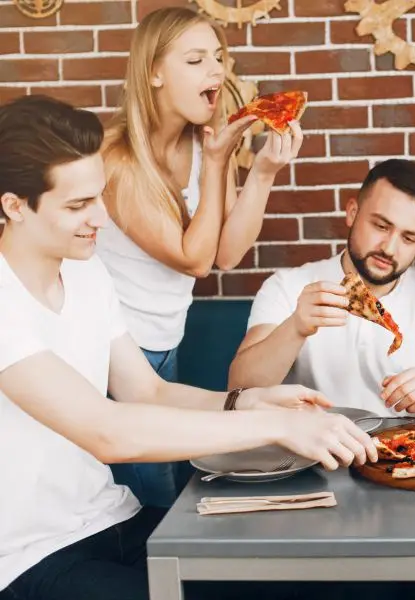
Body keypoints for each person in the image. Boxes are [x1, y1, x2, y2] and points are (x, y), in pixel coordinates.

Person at [0, 95, 375, 600]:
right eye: (77, 206)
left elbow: (146, 391)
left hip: (112, 518)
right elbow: (106, 432)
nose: (101, 219)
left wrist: (243, 401)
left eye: (99, 196)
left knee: (286, 577)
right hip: (27, 557)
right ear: (14, 205)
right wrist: (278, 426)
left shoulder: (86, 271)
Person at [98, 7, 302, 506]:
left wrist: (264, 172)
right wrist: (216, 163)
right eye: (195, 60)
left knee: (162, 495)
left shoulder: (203, 143)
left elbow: (228, 253)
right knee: (151, 504)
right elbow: (194, 260)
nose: (215, 71)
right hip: (112, 359)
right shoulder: (115, 159)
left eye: (218, 57)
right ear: (154, 72)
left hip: (165, 346)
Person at [229, 159, 415, 419]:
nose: (389, 248)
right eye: (381, 226)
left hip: (396, 451)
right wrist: (295, 327)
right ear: (352, 212)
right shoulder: (287, 285)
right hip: (304, 448)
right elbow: (240, 389)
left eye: (409, 238)